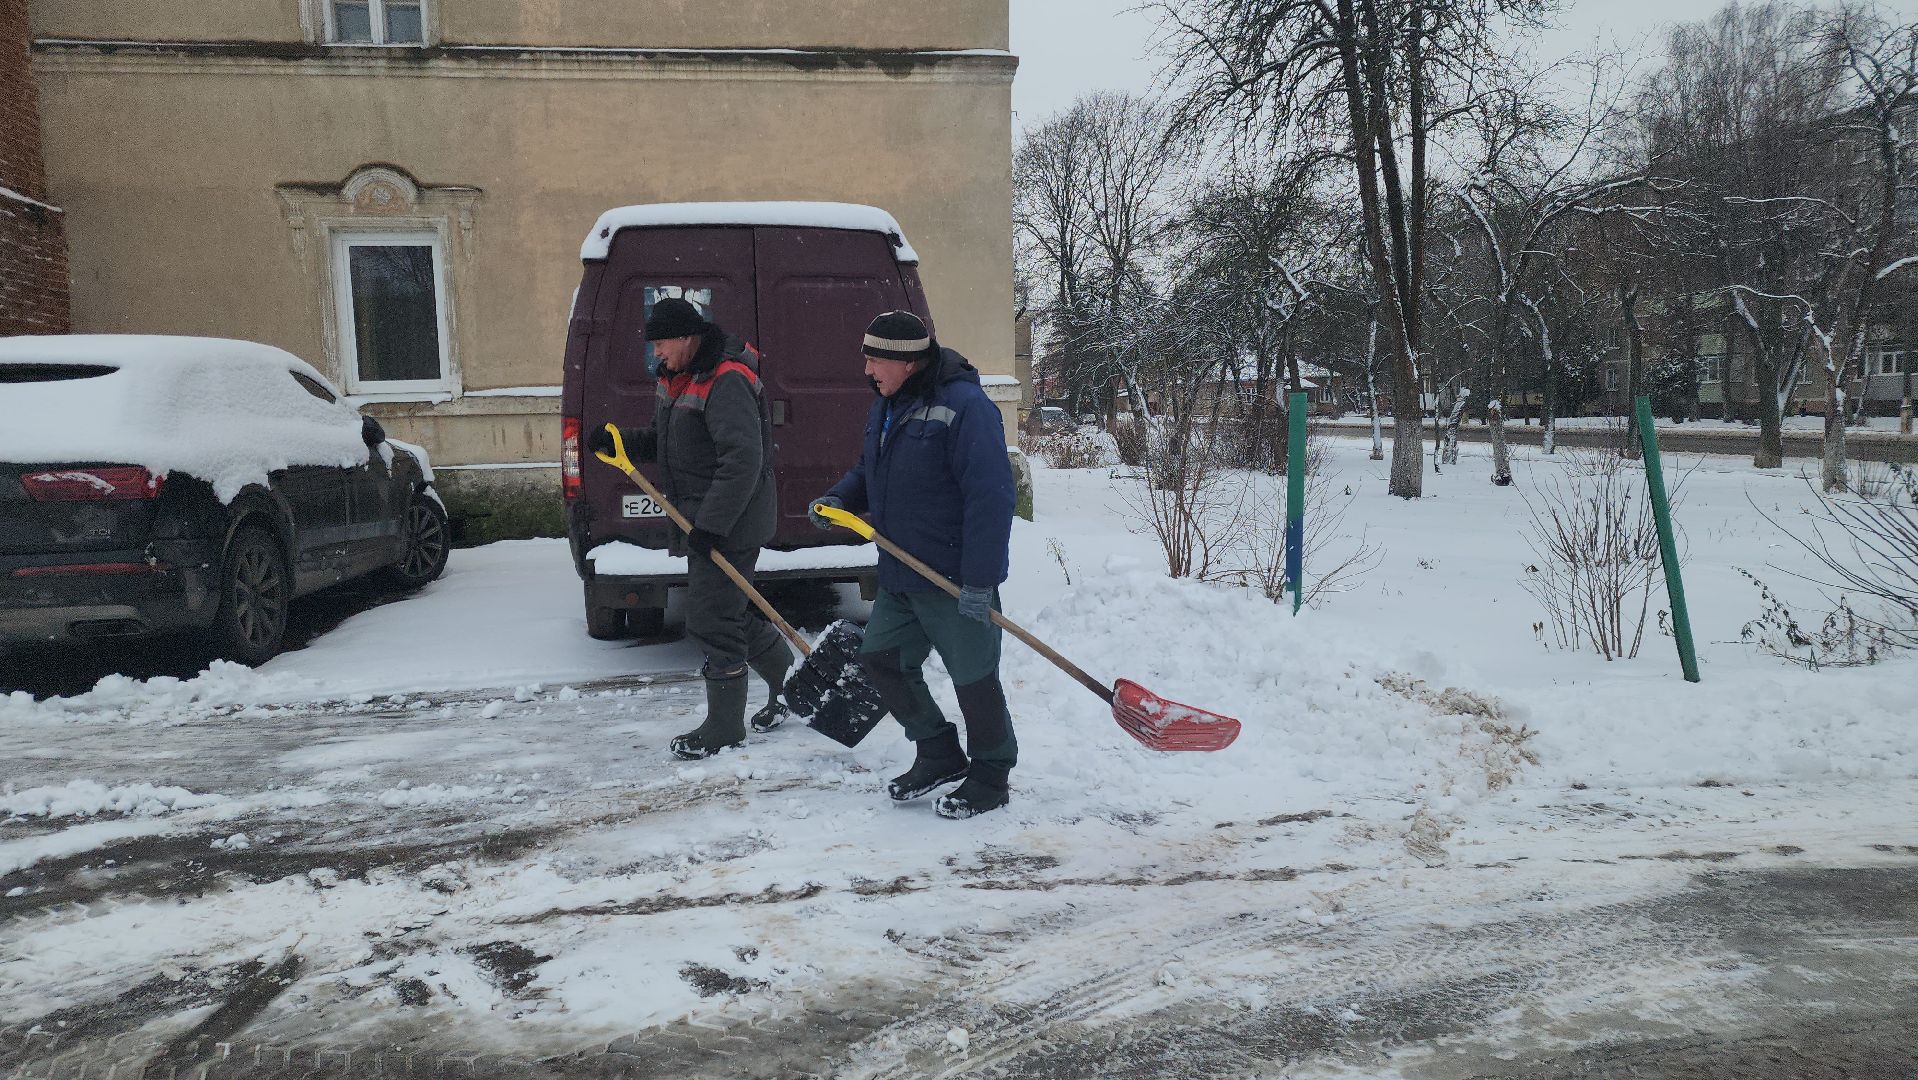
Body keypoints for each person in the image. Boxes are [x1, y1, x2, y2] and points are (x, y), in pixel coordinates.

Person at [812, 311, 1018, 818]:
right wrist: (841, 498)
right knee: (881, 659)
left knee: (974, 678)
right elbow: (871, 468)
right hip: (902, 572)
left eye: (874, 357)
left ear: (906, 361)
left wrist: (980, 580)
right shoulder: (887, 403)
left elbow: (990, 497)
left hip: (951, 577)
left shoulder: (966, 407)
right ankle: (938, 750)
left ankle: (991, 774)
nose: (866, 368)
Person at [587, 297, 792, 759]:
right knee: (731, 609)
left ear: (686, 338)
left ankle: (724, 726)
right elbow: (671, 440)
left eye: (661, 343)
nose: (656, 352)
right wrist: (622, 440)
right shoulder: (679, 378)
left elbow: (743, 460)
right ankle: (788, 682)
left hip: (731, 521)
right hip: (705, 517)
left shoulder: (727, 379)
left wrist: (713, 526)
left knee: (711, 619)